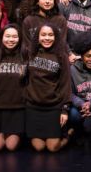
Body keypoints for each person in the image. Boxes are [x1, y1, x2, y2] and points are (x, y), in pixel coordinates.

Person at [24, 23, 71, 152]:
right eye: (43, 35)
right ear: (37, 37)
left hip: (53, 107)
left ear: (56, 37)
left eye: (50, 35)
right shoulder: (30, 53)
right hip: (33, 106)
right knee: (38, 147)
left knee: (52, 147)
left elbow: (65, 84)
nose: (47, 38)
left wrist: (65, 110)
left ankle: (69, 135)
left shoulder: (62, 56)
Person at [0, 24, 27, 152]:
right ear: (2, 38)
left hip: (17, 108)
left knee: (11, 147)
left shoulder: (25, 55)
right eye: (8, 36)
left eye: (15, 36)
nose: (11, 40)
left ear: (19, 38)